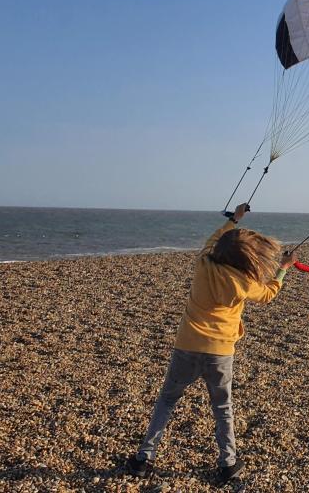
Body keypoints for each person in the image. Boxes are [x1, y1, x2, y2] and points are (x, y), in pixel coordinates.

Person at [126, 203, 296, 482]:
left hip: (187, 345)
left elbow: (217, 237)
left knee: (167, 401)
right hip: (220, 352)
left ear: (220, 249)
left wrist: (235, 219)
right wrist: (283, 269)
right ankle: (227, 464)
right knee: (222, 408)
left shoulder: (204, 262)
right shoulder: (244, 281)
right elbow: (268, 294)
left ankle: (144, 459)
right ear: (249, 258)